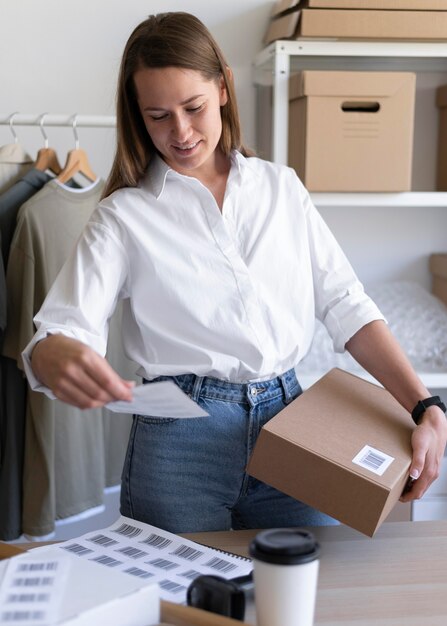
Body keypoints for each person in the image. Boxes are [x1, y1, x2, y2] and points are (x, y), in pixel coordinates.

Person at [23, 12, 446, 534]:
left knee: (302, 602)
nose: (179, 132)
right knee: (182, 606)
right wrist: (55, 354)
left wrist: (424, 404)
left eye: (193, 107)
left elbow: (346, 306)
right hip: (179, 441)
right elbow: (58, 333)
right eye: (157, 116)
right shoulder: (123, 216)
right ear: (138, 115)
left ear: (223, 86)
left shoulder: (281, 189)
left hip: (296, 426)